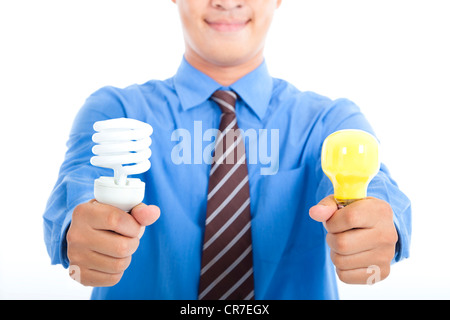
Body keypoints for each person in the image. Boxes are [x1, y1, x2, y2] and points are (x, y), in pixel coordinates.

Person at [43, 0, 411, 299]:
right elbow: (77, 192)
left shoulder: (330, 120)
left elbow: (375, 185)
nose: (227, 1)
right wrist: (82, 229)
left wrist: (377, 222)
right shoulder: (116, 112)